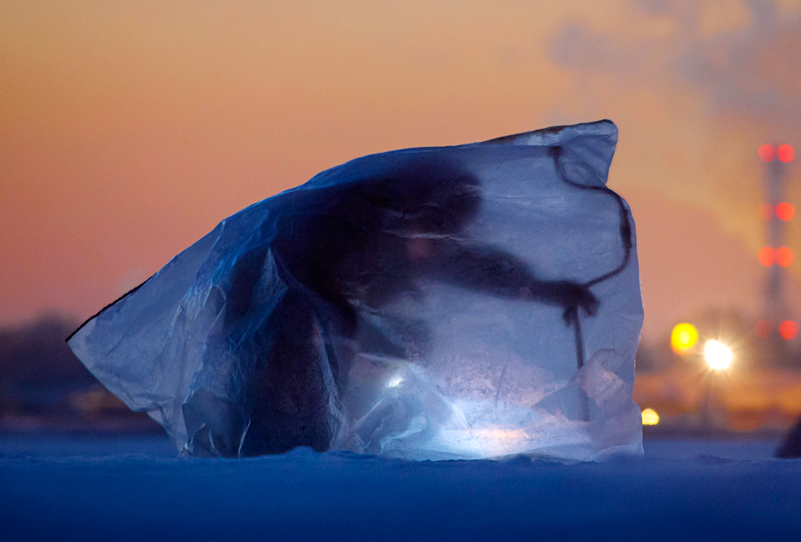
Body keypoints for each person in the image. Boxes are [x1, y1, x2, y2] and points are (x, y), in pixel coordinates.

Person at [209, 155, 599, 457]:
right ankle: (280, 462)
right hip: (266, 304)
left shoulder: (410, 236)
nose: (436, 247)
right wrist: (345, 332)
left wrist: (544, 290)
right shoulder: (340, 223)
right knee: (290, 394)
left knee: (401, 344)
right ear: (412, 212)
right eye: (434, 229)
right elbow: (304, 288)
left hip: (312, 313)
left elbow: (472, 267)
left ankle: (319, 447)